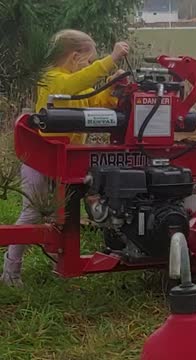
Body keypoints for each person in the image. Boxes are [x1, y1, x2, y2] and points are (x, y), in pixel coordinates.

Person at [1, 29, 129, 286]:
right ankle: (10, 271)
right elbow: (74, 85)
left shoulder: (76, 83)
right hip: (41, 160)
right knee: (31, 214)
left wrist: (112, 87)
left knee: (63, 216)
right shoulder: (51, 79)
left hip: (67, 162)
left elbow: (93, 98)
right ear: (74, 56)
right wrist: (110, 59)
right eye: (90, 61)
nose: (92, 66)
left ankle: (59, 264)